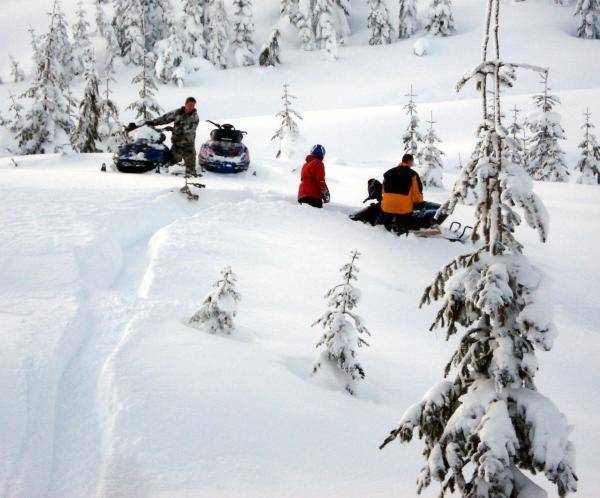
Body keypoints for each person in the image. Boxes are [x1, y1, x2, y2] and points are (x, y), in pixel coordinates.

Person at [378, 153, 446, 231]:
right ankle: (420, 227)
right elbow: (417, 192)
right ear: (410, 161)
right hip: (403, 210)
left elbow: (383, 191)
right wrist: (420, 204)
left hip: (386, 208)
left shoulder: (388, 173)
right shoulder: (412, 174)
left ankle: (393, 222)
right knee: (414, 215)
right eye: (412, 161)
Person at [146, 97, 200, 177]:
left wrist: (173, 129)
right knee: (170, 166)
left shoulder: (195, 117)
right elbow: (165, 118)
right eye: (189, 105)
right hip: (177, 144)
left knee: (191, 171)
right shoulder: (177, 112)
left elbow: (189, 131)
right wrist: (153, 122)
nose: (191, 107)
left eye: (193, 105)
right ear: (185, 104)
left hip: (189, 146)